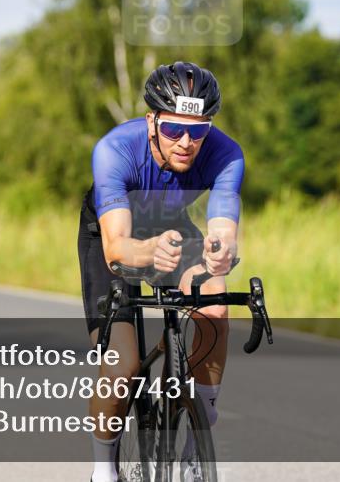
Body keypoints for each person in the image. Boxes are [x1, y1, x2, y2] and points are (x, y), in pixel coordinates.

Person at [77, 62, 244, 482]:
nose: (187, 142)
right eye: (173, 130)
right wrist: (148, 251)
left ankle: (193, 449)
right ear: (152, 121)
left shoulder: (227, 154)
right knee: (123, 363)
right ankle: (103, 471)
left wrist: (219, 253)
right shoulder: (115, 150)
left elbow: (223, 226)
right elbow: (118, 249)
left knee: (216, 306)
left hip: (171, 228)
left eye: (199, 131)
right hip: (113, 234)